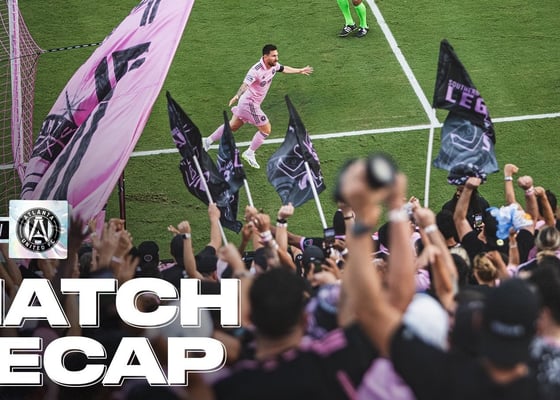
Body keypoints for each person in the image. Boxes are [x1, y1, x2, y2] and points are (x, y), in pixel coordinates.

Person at [203, 44, 313, 169]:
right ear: (265, 57)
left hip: (248, 104)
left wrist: (300, 70)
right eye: (273, 56)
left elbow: (283, 68)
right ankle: (249, 153)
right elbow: (245, 84)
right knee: (266, 129)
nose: (276, 58)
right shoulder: (255, 70)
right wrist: (237, 95)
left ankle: (207, 141)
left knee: (232, 126)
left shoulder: (273, 65)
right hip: (249, 104)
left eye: (277, 55)